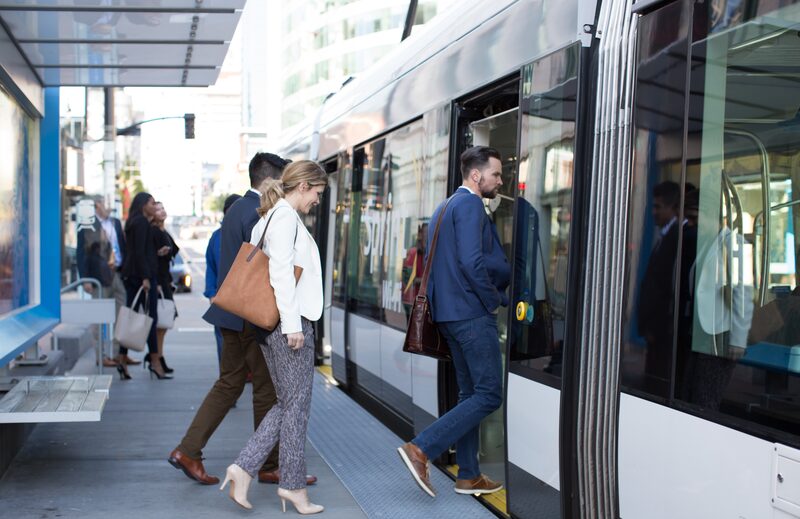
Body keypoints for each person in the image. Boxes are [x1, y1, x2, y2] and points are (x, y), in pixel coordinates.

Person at [169, 153, 317, 488]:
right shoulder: (262, 212)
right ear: (272, 179)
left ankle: (188, 449)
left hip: (231, 313)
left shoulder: (237, 208)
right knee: (268, 391)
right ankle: (269, 465)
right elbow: (275, 267)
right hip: (253, 317)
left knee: (229, 383)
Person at [397, 146, 509, 497]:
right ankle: (421, 448)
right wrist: (492, 301)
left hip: (448, 316)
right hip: (472, 314)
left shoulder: (443, 207)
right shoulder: (472, 205)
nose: (500, 181)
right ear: (476, 175)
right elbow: (471, 262)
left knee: (469, 394)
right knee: (489, 394)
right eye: (496, 174)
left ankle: (469, 475)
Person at [220, 160, 327, 513]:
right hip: (287, 324)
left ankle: (245, 470)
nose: (317, 200)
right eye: (317, 193)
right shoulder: (283, 217)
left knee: (287, 404)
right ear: (304, 186)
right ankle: (291, 486)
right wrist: (293, 325)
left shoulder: (270, 216)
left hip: (274, 325)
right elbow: (280, 272)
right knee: (296, 408)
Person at [76, 196, 131, 368]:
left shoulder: (115, 222)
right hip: (98, 278)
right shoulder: (87, 225)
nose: (108, 206)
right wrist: (85, 279)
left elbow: (122, 247)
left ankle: (118, 354)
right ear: (97, 206)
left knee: (121, 315)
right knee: (98, 318)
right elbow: (81, 254)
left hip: (117, 275)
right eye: (104, 203)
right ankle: (101, 356)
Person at [120, 192, 171, 379]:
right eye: (151, 203)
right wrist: (147, 278)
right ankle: (155, 362)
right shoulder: (141, 223)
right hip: (142, 277)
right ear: (143, 205)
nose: (154, 206)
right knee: (151, 319)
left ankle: (122, 359)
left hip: (132, 275)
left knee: (131, 317)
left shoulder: (134, 222)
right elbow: (141, 253)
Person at [638, 181, 682, 395]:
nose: (654, 212)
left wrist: (655, 327)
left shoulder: (675, 237)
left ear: (672, 207)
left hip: (661, 331)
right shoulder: (665, 235)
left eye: (658, 207)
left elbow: (664, 287)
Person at [205, 194, 242, 367]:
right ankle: (227, 372)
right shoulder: (216, 237)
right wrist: (211, 293)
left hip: (244, 297)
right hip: (222, 297)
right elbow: (211, 267)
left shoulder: (248, 231)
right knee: (223, 340)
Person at [152, 201, 179, 375]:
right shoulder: (154, 231)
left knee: (164, 321)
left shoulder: (164, 231)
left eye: (162, 208)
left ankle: (158, 356)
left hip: (165, 280)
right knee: (161, 322)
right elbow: (151, 257)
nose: (161, 211)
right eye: (157, 209)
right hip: (159, 282)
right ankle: (156, 358)